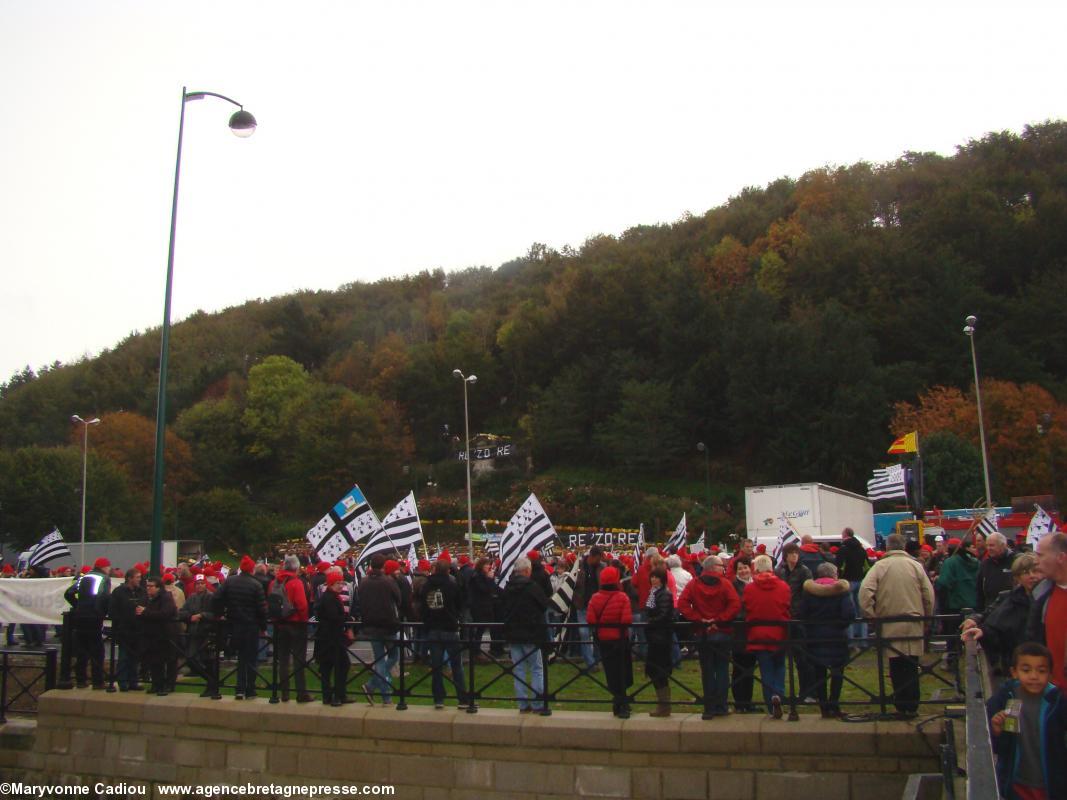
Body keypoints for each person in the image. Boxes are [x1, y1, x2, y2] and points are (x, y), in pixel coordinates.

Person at [859, 533, 935, 718]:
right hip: (914, 621)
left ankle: (901, 704)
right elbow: (929, 595)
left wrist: (872, 616)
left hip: (890, 621)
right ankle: (912, 705)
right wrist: (927, 617)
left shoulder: (880, 566)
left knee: (896, 666)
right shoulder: (916, 566)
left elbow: (864, 593)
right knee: (912, 664)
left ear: (887, 547)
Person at [986, 642, 1067, 799]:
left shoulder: (1058, 702)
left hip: (1052, 785)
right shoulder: (1006, 698)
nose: (1034, 676)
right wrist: (996, 731)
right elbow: (1000, 749)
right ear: (1014, 672)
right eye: (1026, 670)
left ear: (1050, 674)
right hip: (1017, 785)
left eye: (1041, 671)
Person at [677, 555, 741, 720]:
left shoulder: (694, 584)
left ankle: (709, 707)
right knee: (721, 670)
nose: (723, 568)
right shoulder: (725, 584)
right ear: (714, 567)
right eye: (721, 565)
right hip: (722, 631)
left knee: (707, 670)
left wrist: (699, 619)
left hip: (703, 632)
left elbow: (682, 603)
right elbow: (735, 604)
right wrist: (719, 620)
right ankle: (722, 705)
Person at [961, 553, 1041, 681]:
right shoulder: (1010, 600)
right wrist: (982, 631)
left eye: (1036, 571)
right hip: (1017, 665)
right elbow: (995, 625)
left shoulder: (1049, 599)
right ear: (1018, 578)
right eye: (1026, 572)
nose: (1032, 576)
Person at [799, 562, 854, 718]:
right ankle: (834, 703)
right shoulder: (841, 591)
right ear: (834, 575)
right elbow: (849, 613)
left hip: (815, 636)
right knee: (837, 672)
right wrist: (840, 626)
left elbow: (802, 613)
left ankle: (823, 706)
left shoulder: (809, 592)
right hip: (837, 636)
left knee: (819, 673)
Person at [416, 558, 471, 710]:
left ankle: (438, 698)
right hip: (449, 628)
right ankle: (462, 698)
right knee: (456, 666)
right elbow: (460, 603)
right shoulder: (451, 585)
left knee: (437, 666)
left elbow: (423, 607)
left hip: (433, 628)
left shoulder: (426, 585)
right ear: (448, 571)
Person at [212, 555, 268, 700]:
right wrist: (263, 626)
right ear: (251, 570)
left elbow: (216, 598)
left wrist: (220, 613)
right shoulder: (256, 585)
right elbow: (262, 609)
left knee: (241, 658)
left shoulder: (230, 581)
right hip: (251, 625)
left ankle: (239, 689)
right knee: (251, 658)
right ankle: (249, 689)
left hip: (234, 624)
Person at [743, 555, 792, 719]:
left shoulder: (749, 588)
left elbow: (747, 608)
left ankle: (771, 703)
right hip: (779, 632)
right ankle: (778, 693)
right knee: (780, 667)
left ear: (755, 569)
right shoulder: (783, 586)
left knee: (766, 670)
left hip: (758, 633)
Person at [500, 557, 550, 714]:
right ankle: (537, 704)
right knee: (536, 668)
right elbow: (543, 605)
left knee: (519, 670)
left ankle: (522, 704)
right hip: (531, 633)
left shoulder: (507, 588)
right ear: (527, 571)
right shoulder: (532, 587)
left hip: (513, 634)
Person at [586, 565, 633, 718]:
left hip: (604, 640)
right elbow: (626, 620)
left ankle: (617, 700)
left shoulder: (595, 598)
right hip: (620, 640)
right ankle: (623, 703)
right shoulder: (622, 597)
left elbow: (590, 620)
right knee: (622, 670)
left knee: (611, 671)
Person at [357, 554, 402, 705]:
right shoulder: (388, 582)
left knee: (380, 660)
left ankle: (379, 690)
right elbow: (399, 598)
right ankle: (377, 689)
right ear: (383, 566)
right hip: (388, 624)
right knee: (393, 656)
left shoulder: (363, 582)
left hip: (371, 624)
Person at [1025, 532, 1067, 692]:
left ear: (1060, 558)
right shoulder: (1042, 594)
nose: (1036, 561)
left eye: (1040, 555)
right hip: (1055, 694)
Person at [269, 554, 313, 703]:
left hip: (280, 624)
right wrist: (304, 620)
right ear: (295, 567)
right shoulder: (296, 582)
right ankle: (301, 692)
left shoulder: (274, 582)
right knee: (299, 660)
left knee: (283, 660)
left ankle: (284, 693)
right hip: (295, 623)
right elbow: (302, 605)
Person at [64, 557, 112, 689]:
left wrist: (78, 606)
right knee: (97, 650)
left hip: (80, 616)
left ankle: (81, 680)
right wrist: (101, 612)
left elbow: (68, 593)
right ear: (104, 567)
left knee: (82, 650)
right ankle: (97, 681)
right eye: (108, 567)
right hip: (94, 618)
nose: (109, 570)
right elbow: (104, 597)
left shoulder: (83, 577)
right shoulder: (104, 578)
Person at [315, 567, 354, 706]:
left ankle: (331, 695)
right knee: (341, 665)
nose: (341, 586)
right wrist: (347, 620)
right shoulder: (330, 598)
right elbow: (334, 617)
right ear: (331, 584)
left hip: (328, 638)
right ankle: (337, 695)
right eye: (338, 583)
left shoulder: (329, 597)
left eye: (341, 583)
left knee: (329, 667)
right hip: (331, 638)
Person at [178, 573, 219, 697]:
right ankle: (210, 680)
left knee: (208, 660)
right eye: (197, 584)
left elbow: (215, 614)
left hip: (207, 633)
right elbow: (182, 612)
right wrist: (190, 617)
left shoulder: (211, 597)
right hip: (194, 632)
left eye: (202, 583)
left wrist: (202, 615)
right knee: (191, 659)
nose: (200, 586)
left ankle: (212, 685)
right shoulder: (191, 598)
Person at [138, 576, 178, 695]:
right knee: (155, 661)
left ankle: (168, 685)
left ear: (159, 587)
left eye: (151, 586)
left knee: (168, 661)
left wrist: (145, 612)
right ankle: (157, 684)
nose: (148, 588)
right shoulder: (150, 598)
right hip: (153, 634)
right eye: (147, 586)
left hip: (165, 634)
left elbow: (165, 614)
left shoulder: (166, 598)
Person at [644, 565, 675, 717]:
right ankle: (663, 703)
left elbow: (664, 614)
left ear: (662, 579)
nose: (653, 579)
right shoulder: (654, 593)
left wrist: (651, 622)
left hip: (660, 637)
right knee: (654, 670)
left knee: (658, 670)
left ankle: (664, 704)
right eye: (652, 576)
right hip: (655, 636)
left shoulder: (664, 594)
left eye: (656, 577)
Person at [109, 568, 144, 692]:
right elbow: (113, 610)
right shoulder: (119, 592)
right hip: (124, 629)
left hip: (137, 629)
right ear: (130, 578)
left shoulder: (140, 591)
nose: (140, 579)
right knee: (124, 656)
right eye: (137, 577)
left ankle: (133, 681)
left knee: (135, 657)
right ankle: (123, 681)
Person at [730, 558, 758, 713]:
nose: (743, 571)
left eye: (745, 568)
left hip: (753, 632)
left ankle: (748, 701)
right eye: (740, 569)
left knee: (750, 668)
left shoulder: (755, 583)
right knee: (739, 668)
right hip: (740, 632)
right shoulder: (734, 586)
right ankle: (739, 701)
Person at [836, 527, 869, 650]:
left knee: (849, 612)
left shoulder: (843, 549)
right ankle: (864, 641)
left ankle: (850, 642)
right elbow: (867, 566)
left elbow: (839, 566)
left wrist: (839, 578)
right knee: (861, 611)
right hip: (860, 581)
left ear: (844, 535)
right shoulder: (861, 549)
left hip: (848, 582)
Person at [574, 546, 606, 670]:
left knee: (597, 633)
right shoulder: (579, 566)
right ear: (592, 556)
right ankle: (590, 663)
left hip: (597, 606)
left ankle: (597, 659)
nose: (599, 561)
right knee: (584, 633)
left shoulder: (602, 567)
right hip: (582, 605)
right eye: (598, 559)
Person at [467, 557, 501, 660]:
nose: (489, 566)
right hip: (480, 606)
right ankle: (476, 651)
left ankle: (488, 648)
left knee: (485, 628)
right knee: (480, 628)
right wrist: (490, 579)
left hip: (485, 605)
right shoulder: (477, 577)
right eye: (487, 564)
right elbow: (485, 589)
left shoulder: (480, 576)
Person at [976, 533, 1017, 613]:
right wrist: (980, 612)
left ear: (1003, 545)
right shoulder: (985, 564)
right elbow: (979, 591)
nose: (988, 548)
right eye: (987, 545)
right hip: (991, 612)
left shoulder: (1016, 561)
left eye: (992, 545)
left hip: (1012, 611)